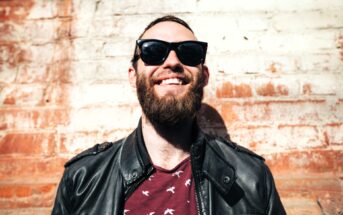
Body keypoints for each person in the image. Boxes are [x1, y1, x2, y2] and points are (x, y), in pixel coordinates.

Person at [52, 15, 286, 215]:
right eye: (153, 51)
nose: (173, 62)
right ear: (133, 76)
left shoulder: (252, 178)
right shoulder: (83, 178)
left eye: (189, 52)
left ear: (204, 76)